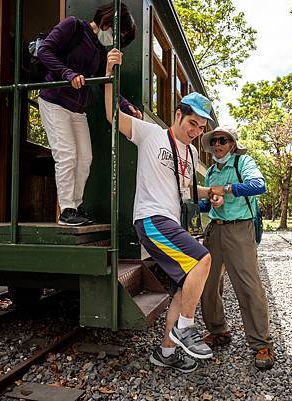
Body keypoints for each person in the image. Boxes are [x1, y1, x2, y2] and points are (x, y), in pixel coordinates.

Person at [105, 48, 222, 373]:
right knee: (204, 259)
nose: (195, 131)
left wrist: (209, 192)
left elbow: (185, 191)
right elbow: (111, 116)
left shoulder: (186, 154)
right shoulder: (150, 134)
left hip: (170, 220)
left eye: (200, 128)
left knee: (183, 289)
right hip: (151, 219)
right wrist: (108, 74)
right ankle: (185, 329)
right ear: (178, 115)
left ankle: (166, 352)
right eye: (192, 123)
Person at [37, 2, 143, 226]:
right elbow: (45, 50)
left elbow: (103, 81)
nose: (115, 40)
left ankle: (75, 206)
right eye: (117, 34)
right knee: (66, 155)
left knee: (85, 158)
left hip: (77, 109)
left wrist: (126, 106)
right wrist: (67, 73)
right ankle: (66, 210)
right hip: (54, 100)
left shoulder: (98, 50)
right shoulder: (73, 25)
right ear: (108, 22)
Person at [197, 126, 275, 370]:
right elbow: (208, 203)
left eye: (223, 140)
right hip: (214, 229)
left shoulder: (243, 162)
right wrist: (202, 201)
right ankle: (218, 331)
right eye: (214, 141)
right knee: (207, 284)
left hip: (240, 229)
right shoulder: (210, 171)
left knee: (248, 285)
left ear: (232, 144)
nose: (218, 144)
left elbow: (259, 185)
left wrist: (227, 189)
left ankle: (261, 343)